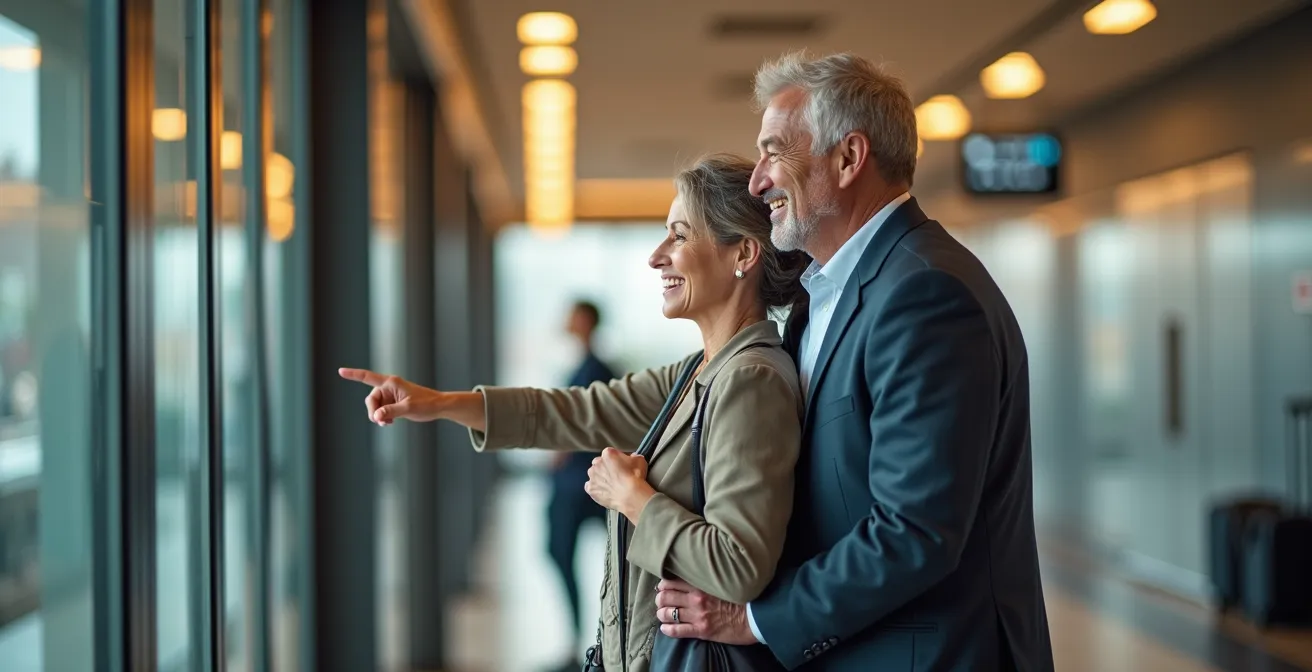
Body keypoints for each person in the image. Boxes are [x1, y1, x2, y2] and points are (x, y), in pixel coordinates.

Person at [653, 51, 1056, 671]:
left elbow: (914, 531)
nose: (757, 182)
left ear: (848, 158)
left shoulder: (925, 293)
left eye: (774, 152)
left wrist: (756, 619)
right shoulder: (824, 296)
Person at [340, 154, 810, 672]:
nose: (656, 257)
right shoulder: (700, 371)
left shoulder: (750, 380)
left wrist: (632, 496)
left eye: (678, 235)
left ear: (743, 253)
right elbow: (574, 411)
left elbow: (738, 566)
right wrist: (438, 402)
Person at [545, 299, 615, 670]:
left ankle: (585, 643)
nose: (567, 321)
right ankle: (582, 640)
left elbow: (583, 422)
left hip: (579, 484)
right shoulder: (587, 366)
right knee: (561, 553)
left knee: (560, 551)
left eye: (573, 315)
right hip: (579, 481)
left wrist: (561, 451)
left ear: (587, 321)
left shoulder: (595, 369)